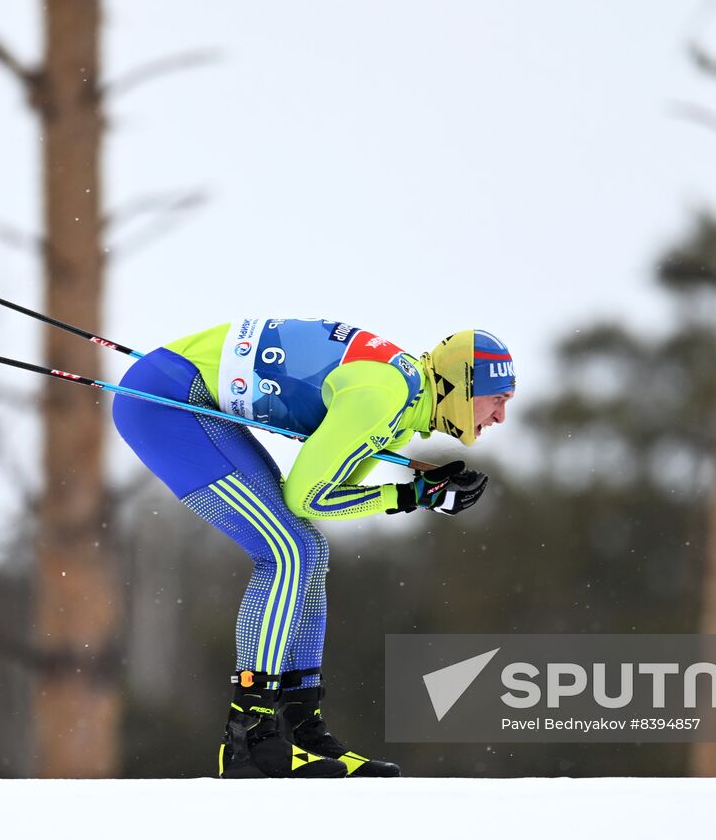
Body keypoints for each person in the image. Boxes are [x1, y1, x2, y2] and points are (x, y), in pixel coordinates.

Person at [113, 319, 515, 778]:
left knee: (308, 549)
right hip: (166, 404)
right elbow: (305, 496)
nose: (501, 417)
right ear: (462, 387)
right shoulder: (384, 397)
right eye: (497, 399)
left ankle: (299, 727)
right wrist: (408, 497)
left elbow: (331, 491)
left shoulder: (402, 404)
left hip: (180, 388)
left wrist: (419, 488)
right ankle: (249, 736)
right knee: (287, 551)